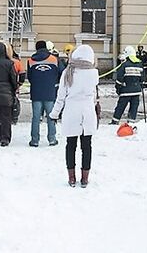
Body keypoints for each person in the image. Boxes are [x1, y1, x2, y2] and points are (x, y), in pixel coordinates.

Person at [50, 44, 99, 187]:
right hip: (88, 112)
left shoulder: (68, 72)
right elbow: (94, 95)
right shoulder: (93, 73)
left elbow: (61, 97)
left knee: (70, 146)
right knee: (87, 146)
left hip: (71, 112)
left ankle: (71, 177)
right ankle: (85, 178)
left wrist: (54, 114)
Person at [27, 39, 62, 147]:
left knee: (36, 117)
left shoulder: (30, 60)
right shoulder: (54, 59)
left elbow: (30, 77)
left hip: (36, 92)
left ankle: (34, 140)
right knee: (51, 116)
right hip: (50, 92)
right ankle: (52, 139)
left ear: (36, 48)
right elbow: (62, 72)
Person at [110, 45, 144, 124]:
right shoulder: (139, 64)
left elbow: (119, 78)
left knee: (120, 107)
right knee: (134, 108)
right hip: (137, 91)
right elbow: (143, 78)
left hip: (126, 91)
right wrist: (142, 86)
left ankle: (115, 121)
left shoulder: (124, 65)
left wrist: (118, 88)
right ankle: (131, 122)